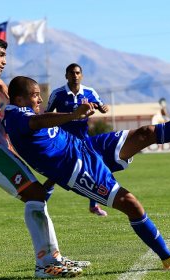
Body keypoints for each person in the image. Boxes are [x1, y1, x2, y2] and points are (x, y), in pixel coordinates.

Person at [3, 76, 170, 272]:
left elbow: (45, 147)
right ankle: (169, 260)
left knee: (146, 132)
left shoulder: (23, 112)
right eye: (35, 95)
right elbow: (36, 122)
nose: (40, 98)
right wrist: (73, 115)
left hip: (87, 147)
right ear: (20, 98)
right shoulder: (16, 116)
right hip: (79, 169)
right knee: (131, 204)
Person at [0, 36, 86, 278]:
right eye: (1, 55)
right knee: (35, 195)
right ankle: (44, 264)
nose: (4, 61)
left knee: (38, 196)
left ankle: (53, 258)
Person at [46, 63, 109, 217]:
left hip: (83, 139)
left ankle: (94, 205)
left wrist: (102, 108)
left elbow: (101, 107)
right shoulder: (58, 94)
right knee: (56, 171)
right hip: (63, 139)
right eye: (72, 73)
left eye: (78, 73)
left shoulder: (89, 92)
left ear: (82, 75)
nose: (75, 76)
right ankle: (41, 200)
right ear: (66, 75)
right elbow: (47, 114)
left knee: (94, 168)